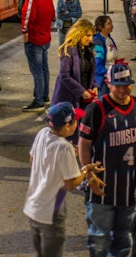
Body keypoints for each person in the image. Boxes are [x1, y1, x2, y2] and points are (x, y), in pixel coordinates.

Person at [78, 62, 136, 257]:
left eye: (127, 84)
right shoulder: (97, 109)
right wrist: (89, 174)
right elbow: (84, 145)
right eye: (118, 85)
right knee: (99, 242)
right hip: (101, 192)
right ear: (109, 84)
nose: (123, 89)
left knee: (123, 240)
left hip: (129, 191)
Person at [23, 102, 104, 257]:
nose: (77, 124)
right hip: (51, 211)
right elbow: (71, 184)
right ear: (67, 125)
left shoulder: (43, 133)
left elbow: (33, 159)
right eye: (76, 121)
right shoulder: (64, 147)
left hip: (33, 207)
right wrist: (86, 169)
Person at [21, 0, 55, 112]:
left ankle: (39, 99)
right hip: (45, 38)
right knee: (44, 69)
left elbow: (27, 17)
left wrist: (24, 32)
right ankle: (45, 95)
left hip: (34, 39)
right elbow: (52, 15)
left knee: (37, 71)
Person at [51, 18, 97, 113]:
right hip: (69, 98)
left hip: (85, 98)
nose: (90, 39)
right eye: (87, 35)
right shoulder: (68, 50)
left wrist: (94, 86)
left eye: (92, 35)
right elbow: (64, 75)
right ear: (79, 33)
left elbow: (89, 72)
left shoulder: (89, 50)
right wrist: (81, 91)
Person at [93, 15, 118, 95]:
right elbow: (97, 63)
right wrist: (107, 72)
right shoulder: (98, 42)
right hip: (103, 79)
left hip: (111, 76)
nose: (112, 26)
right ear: (101, 27)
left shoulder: (109, 39)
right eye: (109, 24)